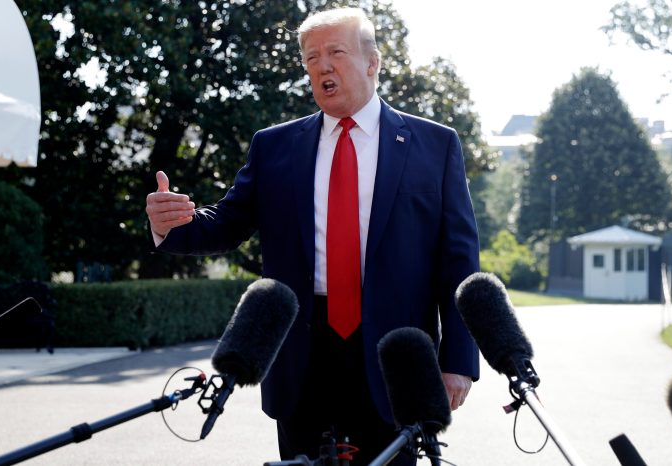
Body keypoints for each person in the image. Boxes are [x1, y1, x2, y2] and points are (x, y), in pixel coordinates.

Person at [146, 7, 479, 465]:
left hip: (395, 357)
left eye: (335, 53)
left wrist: (458, 361)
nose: (321, 66)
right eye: (310, 58)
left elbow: (458, 262)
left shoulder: (435, 145)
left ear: (372, 62)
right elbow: (226, 223)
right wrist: (170, 224)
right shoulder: (275, 146)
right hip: (303, 355)